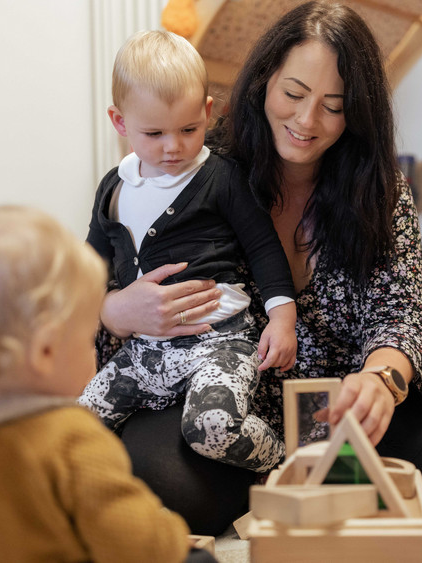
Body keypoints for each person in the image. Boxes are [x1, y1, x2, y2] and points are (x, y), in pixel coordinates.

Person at [94, 2, 422, 535]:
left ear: (358, 110)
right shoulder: (198, 166)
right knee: (155, 476)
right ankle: (305, 481)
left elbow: (400, 310)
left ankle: (289, 488)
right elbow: (101, 275)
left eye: (334, 105)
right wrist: (116, 309)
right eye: (294, 94)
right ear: (264, 83)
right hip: (224, 396)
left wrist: (380, 379)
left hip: (341, 404)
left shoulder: (379, 187)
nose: (308, 121)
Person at [0, 206, 212, 563]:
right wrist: (171, 534)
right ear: (46, 350)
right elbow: (140, 546)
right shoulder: (69, 438)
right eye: (87, 335)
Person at [81, 30, 297, 472]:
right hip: (144, 351)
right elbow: (87, 267)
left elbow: (263, 249)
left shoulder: (222, 178)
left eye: (188, 129)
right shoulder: (114, 187)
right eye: (154, 133)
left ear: (207, 112)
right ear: (120, 123)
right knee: (77, 423)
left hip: (221, 343)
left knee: (212, 428)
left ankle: (287, 463)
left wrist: (282, 317)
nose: (173, 146)